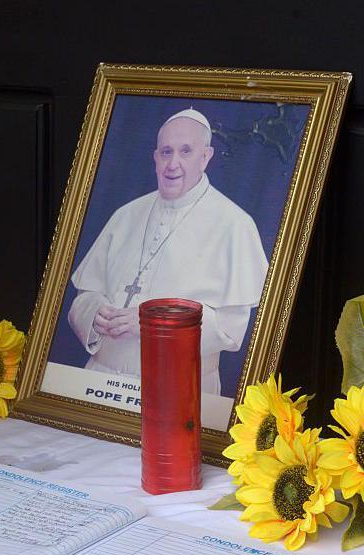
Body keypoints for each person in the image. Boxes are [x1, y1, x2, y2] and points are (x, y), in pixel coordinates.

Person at [67, 109, 269, 395]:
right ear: (155, 158)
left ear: (206, 157)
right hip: (100, 382)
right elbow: (84, 296)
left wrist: (153, 322)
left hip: (177, 389)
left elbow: (229, 330)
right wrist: (94, 313)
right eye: (166, 152)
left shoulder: (234, 224)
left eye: (185, 151)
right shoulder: (126, 215)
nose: (173, 163)